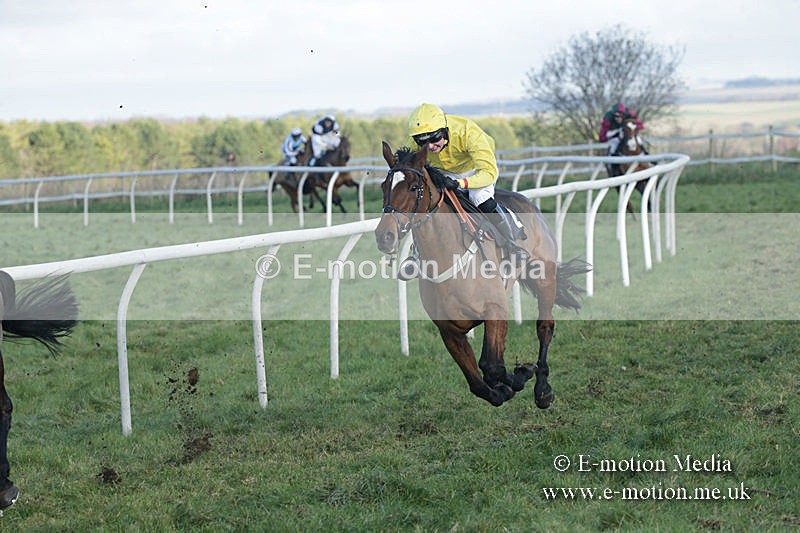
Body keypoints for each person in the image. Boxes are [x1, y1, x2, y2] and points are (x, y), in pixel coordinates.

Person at [398, 103, 528, 279]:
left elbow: (489, 173)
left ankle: (512, 245)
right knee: (425, 201)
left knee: (479, 196)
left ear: (444, 130)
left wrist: (461, 183)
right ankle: (417, 255)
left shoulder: (468, 133)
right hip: (443, 171)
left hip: (474, 169)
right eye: (422, 142)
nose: (429, 146)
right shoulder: (416, 141)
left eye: (434, 138)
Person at [598, 103, 646, 176]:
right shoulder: (607, 118)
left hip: (626, 132)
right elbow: (602, 136)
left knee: (638, 140)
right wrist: (615, 132)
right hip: (614, 134)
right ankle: (613, 168)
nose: (618, 119)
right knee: (613, 147)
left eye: (621, 116)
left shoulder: (629, 113)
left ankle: (646, 157)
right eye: (616, 116)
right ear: (613, 115)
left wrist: (634, 129)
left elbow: (640, 125)